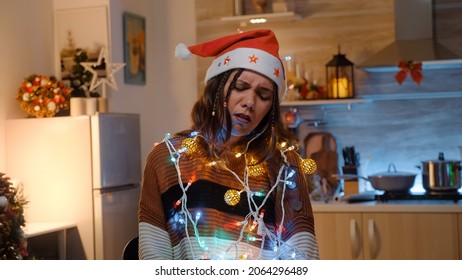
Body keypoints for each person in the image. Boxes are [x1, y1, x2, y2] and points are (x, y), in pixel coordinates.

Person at [138, 29, 319, 260]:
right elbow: (154, 257)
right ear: (217, 89)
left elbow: (303, 258)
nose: (250, 102)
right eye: (240, 87)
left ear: (270, 108)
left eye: (263, 95)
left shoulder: (284, 165)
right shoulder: (168, 159)